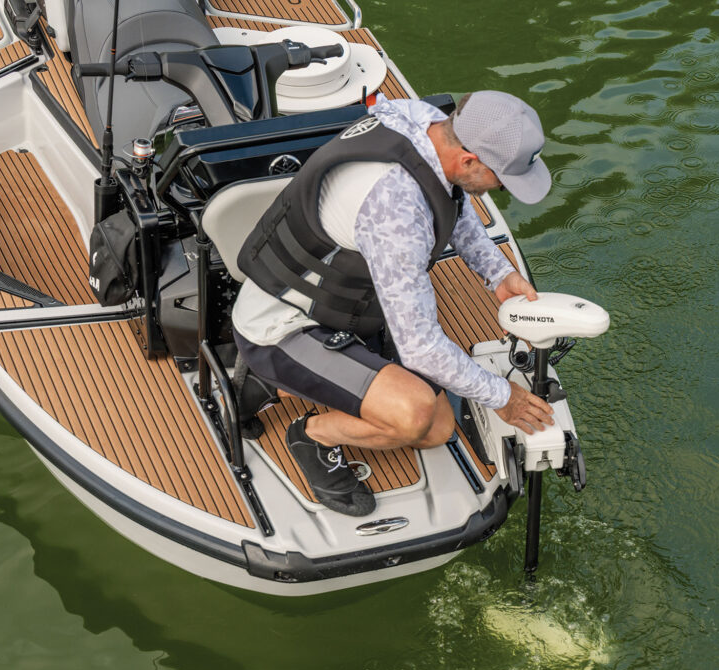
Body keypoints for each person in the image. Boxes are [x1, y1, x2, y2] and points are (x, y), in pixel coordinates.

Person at [231, 90, 555, 516]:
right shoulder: (396, 209)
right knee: (414, 415)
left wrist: (498, 272)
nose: (503, 189)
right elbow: (420, 347)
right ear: (469, 160)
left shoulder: (424, 121)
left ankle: (274, 385)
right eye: (503, 179)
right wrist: (503, 396)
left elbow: (452, 201)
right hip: (282, 325)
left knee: (437, 429)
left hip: (345, 307)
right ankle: (311, 434)